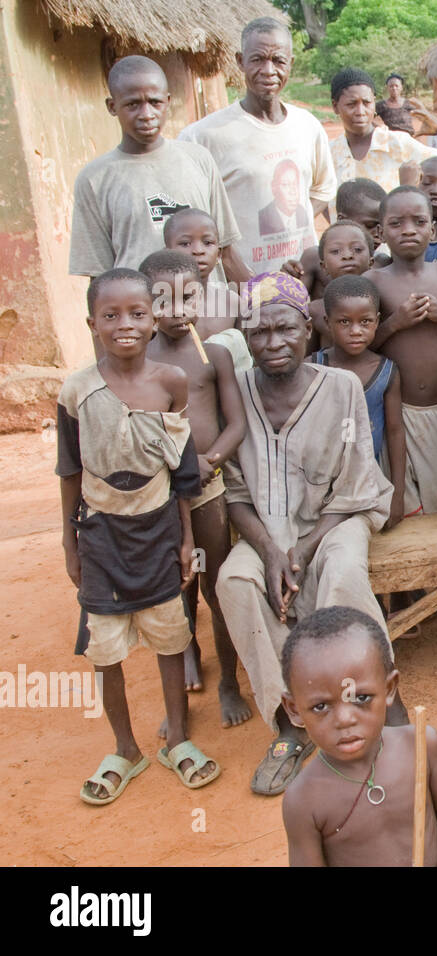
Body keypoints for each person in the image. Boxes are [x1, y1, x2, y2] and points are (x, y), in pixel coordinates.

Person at [214, 272, 395, 795]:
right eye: (259, 333)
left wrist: (303, 548)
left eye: (285, 329)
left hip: (337, 519)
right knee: (236, 581)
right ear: (246, 339)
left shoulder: (340, 387)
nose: (273, 343)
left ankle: (364, 703)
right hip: (263, 531)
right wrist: (272, 551)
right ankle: (293, 720)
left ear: (308, 329)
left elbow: (359, 482)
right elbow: (234, 493)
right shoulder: (237, 393)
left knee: (340, 573)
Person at [59, 268, 218, 805]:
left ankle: (177, 737)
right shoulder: (77, 390)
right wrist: (69, 542)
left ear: (153, 322)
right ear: (92, 324)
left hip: (158, 531)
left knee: (171, 635)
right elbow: (69, 471)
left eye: (137, 314)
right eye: (111, 315)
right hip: (101, 536)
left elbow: (183, 470)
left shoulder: (171, 381)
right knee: (105, 648)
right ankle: (124, 747)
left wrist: (184, 537)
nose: (124, 325)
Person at [140, 251, 250, 723]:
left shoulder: (215, 352)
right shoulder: (137, 359)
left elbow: (236, 423)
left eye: (188, 297)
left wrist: (211, 460)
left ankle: (229, 680)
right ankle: (184, 661)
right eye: (162, 301)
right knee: (173, 585)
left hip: (207, 486)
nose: (177, 309)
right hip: (158, 491)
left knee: (216, 585)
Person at [281, 606, 437, 866]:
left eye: (361, 698)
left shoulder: (422, 746)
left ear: (390, 688)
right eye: (321, 707)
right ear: (294, 710)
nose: (345, 719)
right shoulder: (303, 800)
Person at [71, 56, 247, 286]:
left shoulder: (199, 159)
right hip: (145, 316)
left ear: (167, 101)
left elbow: (226, 250)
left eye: (155, 102)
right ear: (112, 106)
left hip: (208, 313)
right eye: (133, 104)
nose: (146, 114)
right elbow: (101, 278)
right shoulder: (95, 179)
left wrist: (264, 301)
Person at [179, 17, 336, 273]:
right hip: (241, 287)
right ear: (240, 61)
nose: (268, 70)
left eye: (278, 60)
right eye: (257, 59)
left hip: (303, 282)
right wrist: (236, 273)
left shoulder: (307, 126)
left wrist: (289, 218)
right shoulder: (203, 136)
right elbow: (191, 220)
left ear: (291, 64)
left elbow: (322, 189)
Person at [366, 187, 437, 522]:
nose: (408, 230)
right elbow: (359, 348)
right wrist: (395, 323)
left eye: (418, 222)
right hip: (395, 414)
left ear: (432, 229)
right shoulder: (373, 281)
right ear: (381, 232)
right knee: (407, 508)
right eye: (397, 223)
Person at [311, 275, 405, 531]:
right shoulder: (314, 368)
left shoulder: (386, 371)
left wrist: (397, 495)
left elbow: (395, 432)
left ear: (377, 321)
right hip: (321, 478)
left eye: (365, 322)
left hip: (371, 474)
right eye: (344, 322)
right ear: (327, 323)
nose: (355, 331)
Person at [328, 68, 437, 195]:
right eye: (351, 104)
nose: (360, 112)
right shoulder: (329, 152)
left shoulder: (398, 144)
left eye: (366, 103)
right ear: (335, 106)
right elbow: (318, 192)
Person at [162, 208, 250, 370]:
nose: (198, 250)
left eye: (207, 243)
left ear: (219, 255)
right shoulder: (161, 307)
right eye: (185, 244)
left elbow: (245, 361)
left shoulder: (233, 302)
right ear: (167, 253)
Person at [308, 220, 374, 343]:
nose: (348, 255)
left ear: (371, 261)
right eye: (336, 251)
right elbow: (307, 358)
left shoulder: (382, 301)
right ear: (323, 266)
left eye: (357, 249)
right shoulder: (315, 310)